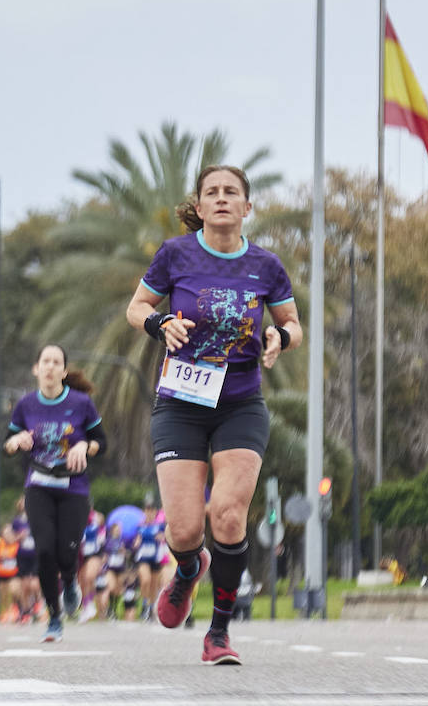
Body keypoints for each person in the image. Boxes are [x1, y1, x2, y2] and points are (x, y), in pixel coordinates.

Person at [126, 163, 302, 666]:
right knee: (184, 531)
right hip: (181, 403)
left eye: (232, 192)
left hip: (240, 403)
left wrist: (279, 336)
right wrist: (158, 323)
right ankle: (187, 570)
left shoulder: (266, 265)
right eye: (212, 192)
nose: (222, 199)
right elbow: (136, 306)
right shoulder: (175, 254)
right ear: (199, 207)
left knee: (227, 514)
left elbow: (291, 321)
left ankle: (219, 632)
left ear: (247, 208)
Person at [3, 345, 106, 641]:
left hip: (74, 487)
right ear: (36, 369)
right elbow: (7, 444)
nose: (50, 367)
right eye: (45, 362)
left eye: (56, 362)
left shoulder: (81, 403)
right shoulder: (25, 405)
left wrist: (84, 445)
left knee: (67, 551)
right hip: (39, 485)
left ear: (63, 371)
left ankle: (71, 578)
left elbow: (101, 441)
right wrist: (16, 441)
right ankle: (54, 617)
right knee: (45, 550)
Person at [132, 499, 166, 621]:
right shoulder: (140, 526)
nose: (149, 513)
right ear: (144, 512)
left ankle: (151, 608)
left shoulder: (160, 526)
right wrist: (136, 542)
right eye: (147, 510)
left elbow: (166, 537)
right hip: (143, 558)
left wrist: (162, 537)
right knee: (145, 580)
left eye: (151, 510)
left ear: (155, 512)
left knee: (154, 585)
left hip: (155, 558)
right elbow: (136, 540)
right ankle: (145, 604)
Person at [76, 508, 105, 623]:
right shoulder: (76, 518)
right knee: (82, 581)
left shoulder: (95, 517)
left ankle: (90, 602)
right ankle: (85, 606)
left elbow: (102, 523)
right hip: (81, 554)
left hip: (94, 553)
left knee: (90, 576)